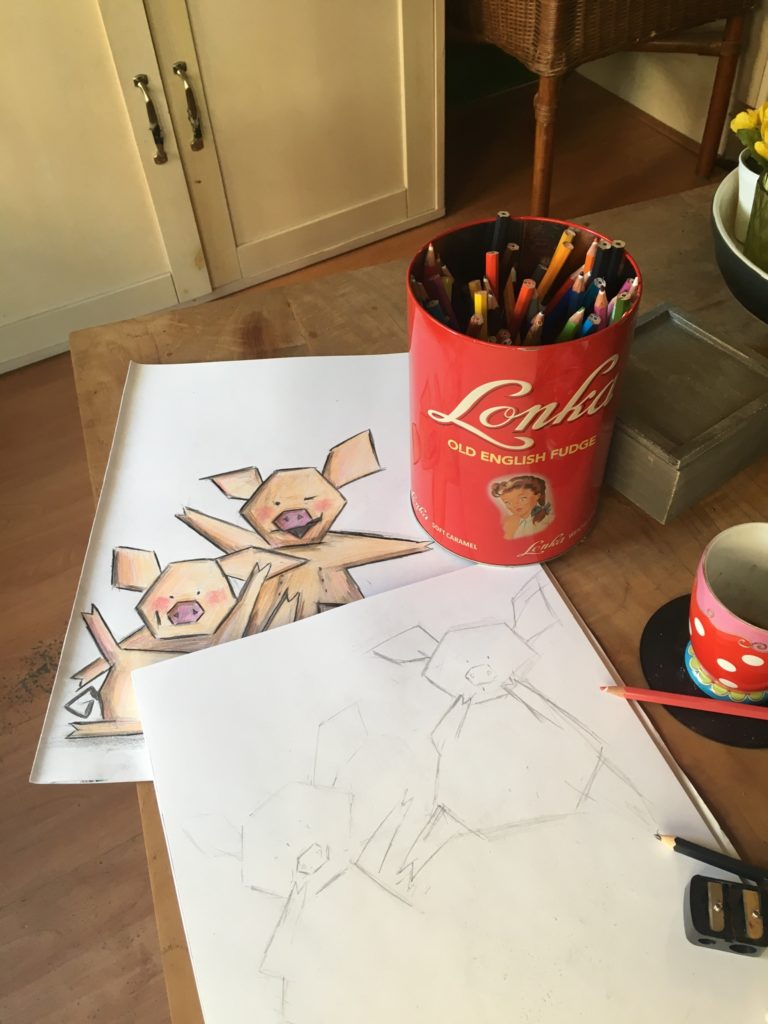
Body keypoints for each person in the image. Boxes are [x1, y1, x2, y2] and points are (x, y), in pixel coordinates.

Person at [490, 475, 553, 539]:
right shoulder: (519, 523)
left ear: (537, 496)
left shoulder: (546, 521)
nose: (515, 505)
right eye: (508, 502)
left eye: (522, 499)